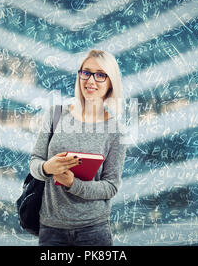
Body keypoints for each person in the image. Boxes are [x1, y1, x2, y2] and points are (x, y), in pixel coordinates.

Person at [29, 49, 127, 246]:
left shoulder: (115, 130)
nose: (90, 81)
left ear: (110, 83)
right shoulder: (56, 114)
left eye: (100, 75)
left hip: (94, 230)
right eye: (86, 72)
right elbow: (34, 162)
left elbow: (111, 186)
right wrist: (48, 168)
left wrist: (73, 184)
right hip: (51, 228)